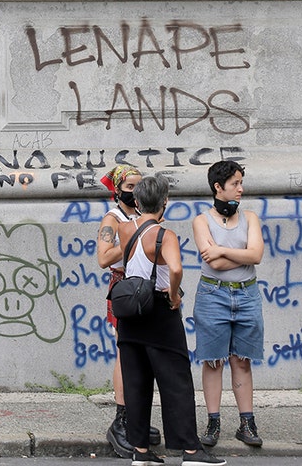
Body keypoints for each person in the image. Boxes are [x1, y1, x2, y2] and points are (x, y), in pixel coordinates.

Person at [113, 174, 225, 466]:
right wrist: (174, 296)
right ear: (165, 201)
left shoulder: (125, 229)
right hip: (159, 311)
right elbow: (175, 269)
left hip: (129, 312)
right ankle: (190, 449)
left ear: (136, 201)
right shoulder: (165, 235)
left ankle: (140, 450)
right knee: (175, 379)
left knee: (136, 381)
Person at [190, 159, 265, 448]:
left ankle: (247, 422)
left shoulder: (251, 218)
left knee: (242, 360)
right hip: (213, 295)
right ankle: (213, 421)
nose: (240, 189)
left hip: (246, 294)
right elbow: (215, 265)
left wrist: (221, 249)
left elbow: (256, 255)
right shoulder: (201, 221)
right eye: (235, 184)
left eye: (240, 182)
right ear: (218, 187)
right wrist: (239, 252)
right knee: (213, 361)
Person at [95, 164, 160, 456]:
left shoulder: (139, 216)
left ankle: (136, 417)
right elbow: (103, 257)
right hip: (125, 291)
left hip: (145, 288)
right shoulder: (114, 219)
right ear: (118, 189)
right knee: (125, 356)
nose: (134, 192)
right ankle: (120, 421)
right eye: (129, 187)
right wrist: (133, 238)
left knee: (142, 356)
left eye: (138, 186)